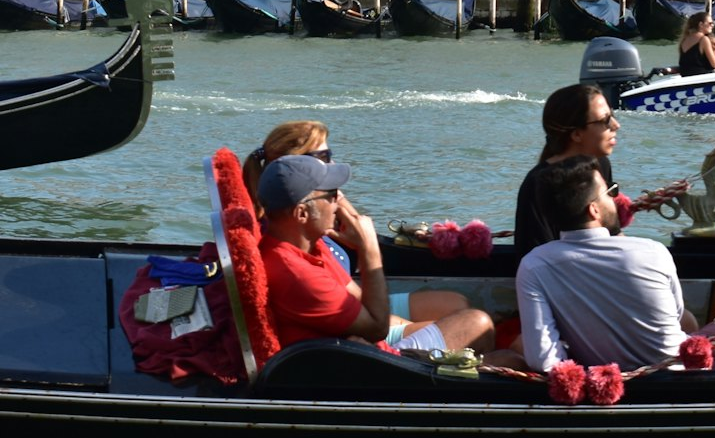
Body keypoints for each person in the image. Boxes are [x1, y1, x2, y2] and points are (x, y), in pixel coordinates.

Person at [244, 121, 474, 333]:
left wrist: (331, 193)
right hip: (348, 318)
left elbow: (359, 231)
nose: (332, 164)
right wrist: (368, 248)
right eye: (323, 157)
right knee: (473, 324)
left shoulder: (316, 229)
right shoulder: (295, 235)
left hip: (353, 304)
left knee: (457, 305)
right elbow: (374, 325)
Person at [257, 154, 495, 354]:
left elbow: (360, 303)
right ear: (301, 214)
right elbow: (377, 328)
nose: (338, 202)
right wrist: (369, 249)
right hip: (363, 366)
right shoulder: (296, 274)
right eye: (331, 195)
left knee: (459, 311)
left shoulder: (309, 246)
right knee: (479, 326)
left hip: (361, 347)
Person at [516, 155, 689, 372]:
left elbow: (544, 361)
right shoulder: (654, 251)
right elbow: (676, 316)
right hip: (676, 379)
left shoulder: (534, 266)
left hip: (599, 384)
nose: (615, 199)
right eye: (609, 192)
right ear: (594, 210)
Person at [514, 84, 619, 258]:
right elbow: (533, 256)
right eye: (605, 120)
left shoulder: (601, 165)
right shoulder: (536, 183)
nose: (616, 125)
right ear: (576, 134)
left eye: (613, 116)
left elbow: (612, 232)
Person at [677, 11, 715, 76]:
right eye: (710, 23)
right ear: (701, 24)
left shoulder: (684, 40)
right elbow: (714, 64)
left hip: (686, 76)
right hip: (699, 76)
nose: (712, 25)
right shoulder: (704, 39)